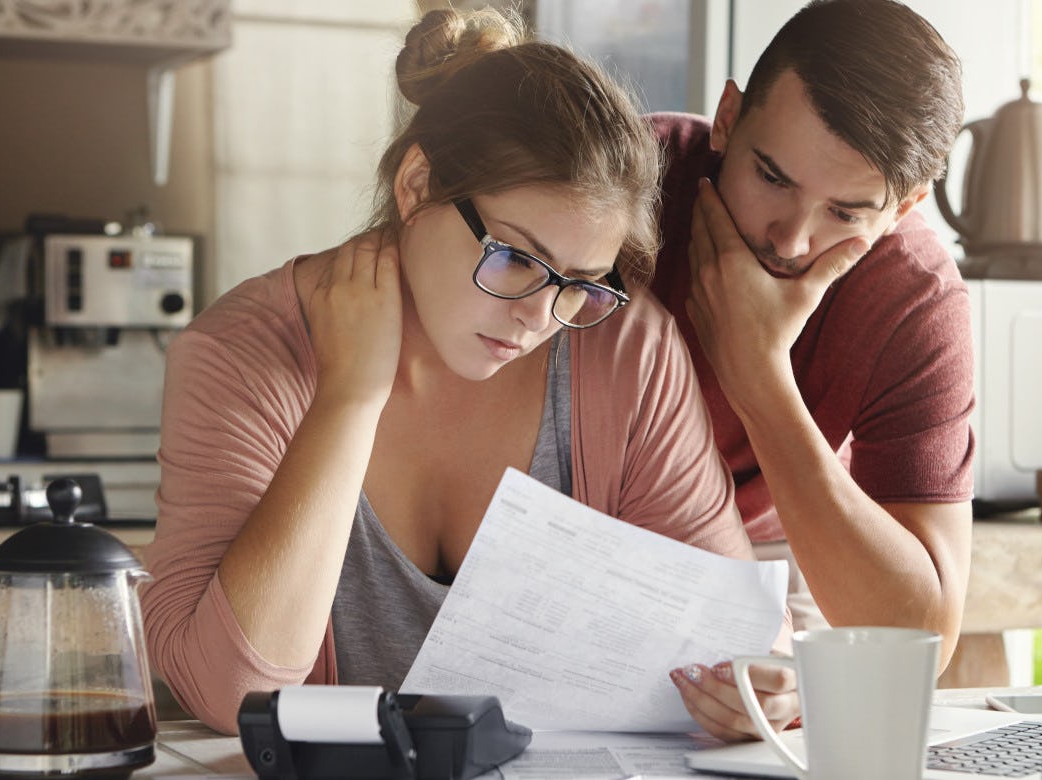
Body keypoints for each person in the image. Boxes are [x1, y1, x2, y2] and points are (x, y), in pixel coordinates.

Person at [140, 8, 796, 740]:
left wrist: (761, 688)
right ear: (417, 186)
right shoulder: (241, 355)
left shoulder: (626, 348)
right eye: (515, 257)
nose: (539, 317)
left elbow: (731, 639)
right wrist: (350, 397)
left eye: (579, 282)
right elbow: (232, 692)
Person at [656, 0, 976, 738]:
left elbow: (919, 641)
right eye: (772, 177)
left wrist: (760, 378)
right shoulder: (623, 184)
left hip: (776, 544)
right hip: (571, 518)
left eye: (847, 212)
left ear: (905, 206)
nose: (793, 240)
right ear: (729, 118)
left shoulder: (915, 299)